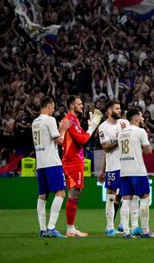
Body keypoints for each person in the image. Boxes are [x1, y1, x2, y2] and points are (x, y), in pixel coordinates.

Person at [61, 95, 102, 237]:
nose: (82, 106)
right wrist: (92, 127)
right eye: (79, 104)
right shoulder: (70, 120)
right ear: (72, 106)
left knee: (75, 193)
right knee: (74, 193)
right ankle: (70, 229)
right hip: (72, 161)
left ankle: (70, 228)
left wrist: (89, 128)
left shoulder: (74, 120)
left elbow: (82, 137)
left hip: (74, 160)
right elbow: (83, 139)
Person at [117, 109, 154, 238]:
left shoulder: (121, 133)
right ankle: (146, 231)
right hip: (137, 171)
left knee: (126, 200)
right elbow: (148, 151)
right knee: (145, 198)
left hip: (124, 171)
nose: (143, 119)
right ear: (136, 119)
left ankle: (126, 231)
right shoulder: (140, 131)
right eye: (141, 117)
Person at [32, 96, 67, 238]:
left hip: (40, 163)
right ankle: (51, 227)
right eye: (53, 107)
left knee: (42, 196)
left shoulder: (34, 122)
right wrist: (63, 129)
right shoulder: (50, 120)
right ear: (49, 106)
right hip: (52, 162)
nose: (54, 110)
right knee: (61, 193)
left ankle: (42, 229)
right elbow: (60, 141)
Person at [97, 101, 123, 236]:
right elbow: (106, 148)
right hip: (113, 166)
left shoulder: (124, 123)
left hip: (126, 165)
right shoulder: (103, 127)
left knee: (128, 195)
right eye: (117, 108)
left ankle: (124, 225)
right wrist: (103, 170)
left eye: (120, 108)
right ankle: (109, 227)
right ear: (109, 110)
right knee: (111, 196)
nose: (120, 110)